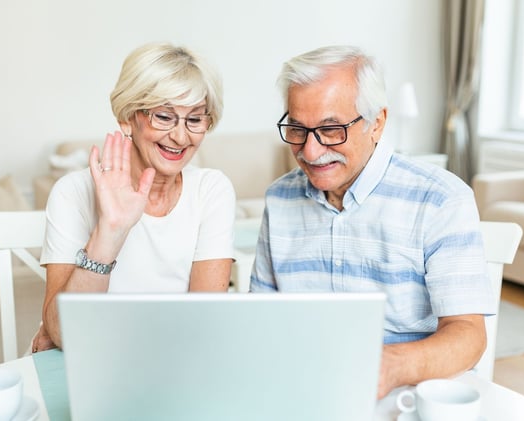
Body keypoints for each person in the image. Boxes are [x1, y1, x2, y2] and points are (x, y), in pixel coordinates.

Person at [249, 45, 493, 399]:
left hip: (407, 396)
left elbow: (469, 335)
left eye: (331, 130)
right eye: (298, 129)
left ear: (376, 122)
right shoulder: (279, 198)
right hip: (303, 390)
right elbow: (260, 320)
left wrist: (389, 366)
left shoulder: (440, 199)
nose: (311, 151)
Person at [33, 42, 236, 351]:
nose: (181, 137)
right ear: (128, 117)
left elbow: (202, 323)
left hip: (170, 363)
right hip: (92, 362)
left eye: (195, 119)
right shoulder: (72, 193)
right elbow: (66, 336)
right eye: (164, 117)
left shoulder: (212, 191)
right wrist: (110, 230)